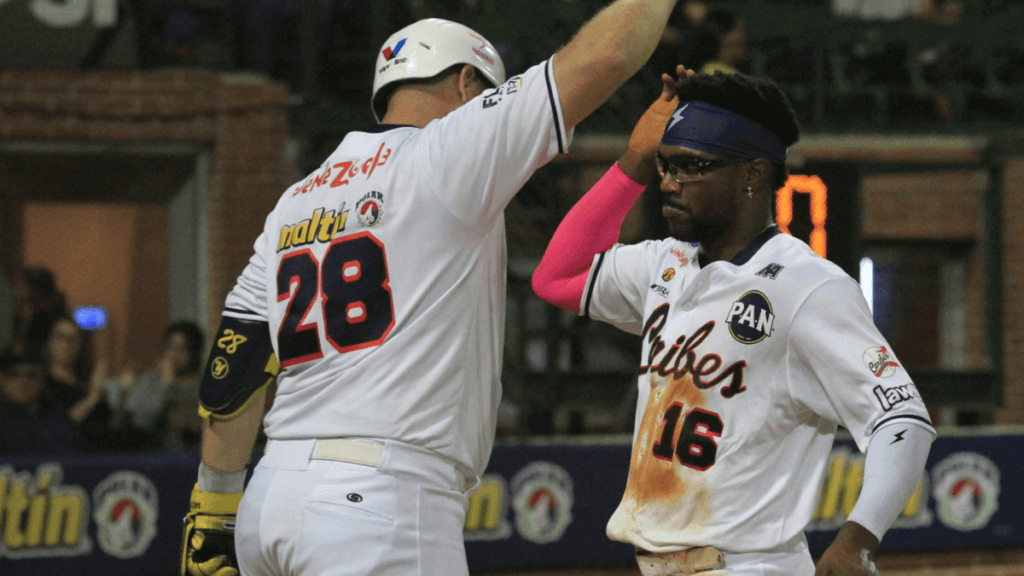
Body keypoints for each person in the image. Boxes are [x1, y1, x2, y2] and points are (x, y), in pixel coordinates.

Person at [180, 3, 687, 576]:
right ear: (468, 81)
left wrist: (214, 507)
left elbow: (236, 366)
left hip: (269, 499)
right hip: (379, 499)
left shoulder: (294, 202)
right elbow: (606, 56)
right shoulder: (447, 151)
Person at [532, 68, 934, 576]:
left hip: (749, 564)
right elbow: (555, 277)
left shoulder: (808, 286)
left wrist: (859, 538)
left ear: (753, 176)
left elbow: (903, 420)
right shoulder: (665, 263)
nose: (669, 183)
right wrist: (633, 161)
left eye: (691, 166)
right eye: (665, 165)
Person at [106, 321, 205, 450]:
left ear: (194, 353)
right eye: (170, 347)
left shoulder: (204, 385)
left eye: (181, 349)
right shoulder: (150, 379)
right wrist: (165, 385)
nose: (174, 355)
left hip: (189, 457)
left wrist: (171, 384)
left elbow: (195, 423)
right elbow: (141, 420)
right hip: (150, 454)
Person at [35, 312, 112, 451]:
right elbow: (61, 426)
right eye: (61, 337)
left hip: (101, 455)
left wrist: (123, 393)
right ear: (48, 342)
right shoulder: (41, 383)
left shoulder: (86, 381)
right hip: (68, 457)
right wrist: (93, 397)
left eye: (74, 338)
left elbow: (109, 423)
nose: (67, 344)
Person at [0, 347, 82, 455]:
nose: (23, 383)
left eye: (32, 375)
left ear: (44, 380)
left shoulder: (57, 418)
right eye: (13, 375)